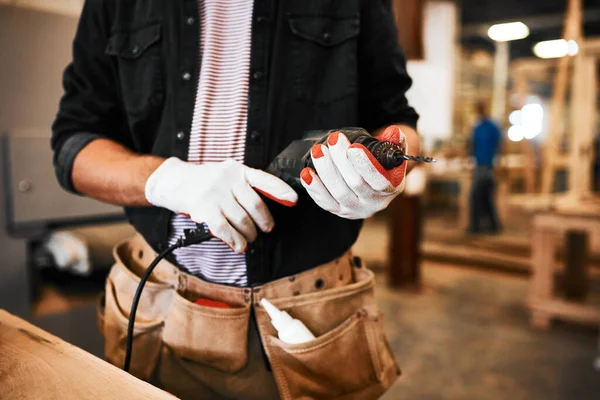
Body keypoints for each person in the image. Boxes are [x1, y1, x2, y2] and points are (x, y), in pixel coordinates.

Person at [51, 1, 420, 399]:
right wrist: (170, 181)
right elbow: (73, 145)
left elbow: (399, 120)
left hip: (308, 316)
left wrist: (379, 170)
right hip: (154, 306)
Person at [468, 101, 502, 234]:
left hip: (487, 166)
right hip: (479, 164)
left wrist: (498, 161)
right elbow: (472, 145)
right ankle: (493, 226)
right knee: (485, 196)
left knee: (476, 195)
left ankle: (476, 226)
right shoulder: (478, 127)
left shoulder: (491, 127)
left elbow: (499, 144)